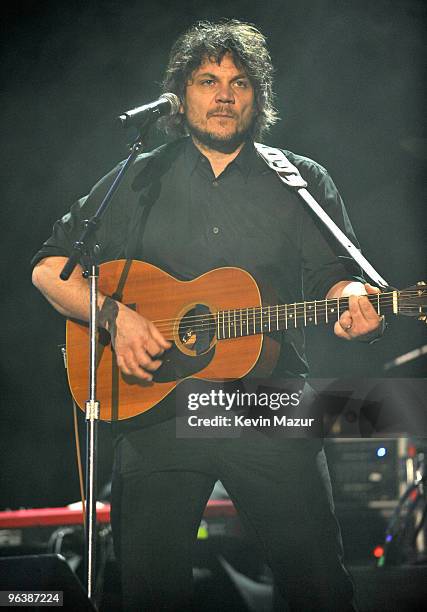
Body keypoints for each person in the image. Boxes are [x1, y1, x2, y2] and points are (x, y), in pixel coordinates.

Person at [32, 19, 384, 611]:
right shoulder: (138, 177)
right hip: (157, 409)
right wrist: (116, 318)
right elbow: (49, 267)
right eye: (207, 80)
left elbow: (335, 279)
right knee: (149, 591)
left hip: (265, 403)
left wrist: (352, 301)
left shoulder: (297, 180)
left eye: (240, 82)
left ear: (258, 97)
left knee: (319, 586)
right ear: (181, 94)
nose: (224, 94)